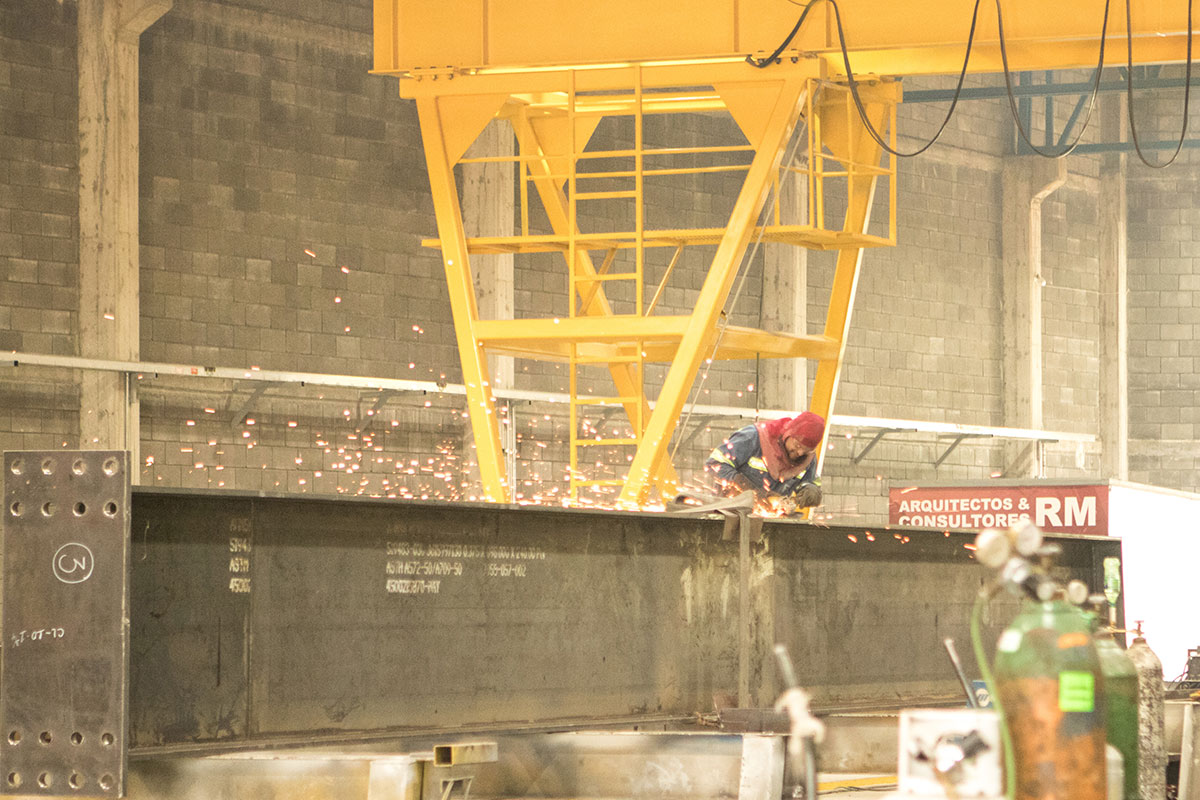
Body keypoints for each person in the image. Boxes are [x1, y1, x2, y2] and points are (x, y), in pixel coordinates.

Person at [705, 412, 824, 513]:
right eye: (797, 445)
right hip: (730, 512)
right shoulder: (753, 437)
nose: (800, 452)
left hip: (770, 519)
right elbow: (714, 464)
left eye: (807, 450)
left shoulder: (808, 458)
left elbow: (810, 483)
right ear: (789, 433)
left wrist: (811, 490)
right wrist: (747, 489)